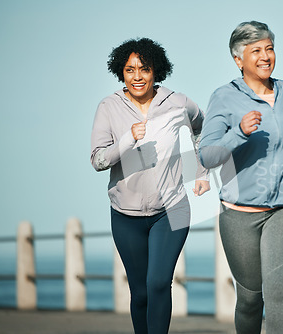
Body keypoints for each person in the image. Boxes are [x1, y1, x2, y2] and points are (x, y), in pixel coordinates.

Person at [199, 21, 283, 333]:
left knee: (277, 291)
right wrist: (239, 133)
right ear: (238, 60)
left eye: (269, 48)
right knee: (249, 299)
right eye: (255, 50)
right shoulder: (223, 98)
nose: (265, 56)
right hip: (239, 214)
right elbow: (206, 157)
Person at [90, 37, 210, 334]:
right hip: (126, 214)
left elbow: (204, 129)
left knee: (158, 283)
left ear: (156, 70)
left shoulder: (179, 102)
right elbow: (97, 160)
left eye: (144, 69)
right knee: (140, 292)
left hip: (172, 209)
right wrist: (128, 140)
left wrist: (202, 170)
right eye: (130, 70)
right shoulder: (109, 107)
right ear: (121, 72)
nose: (137, 77)